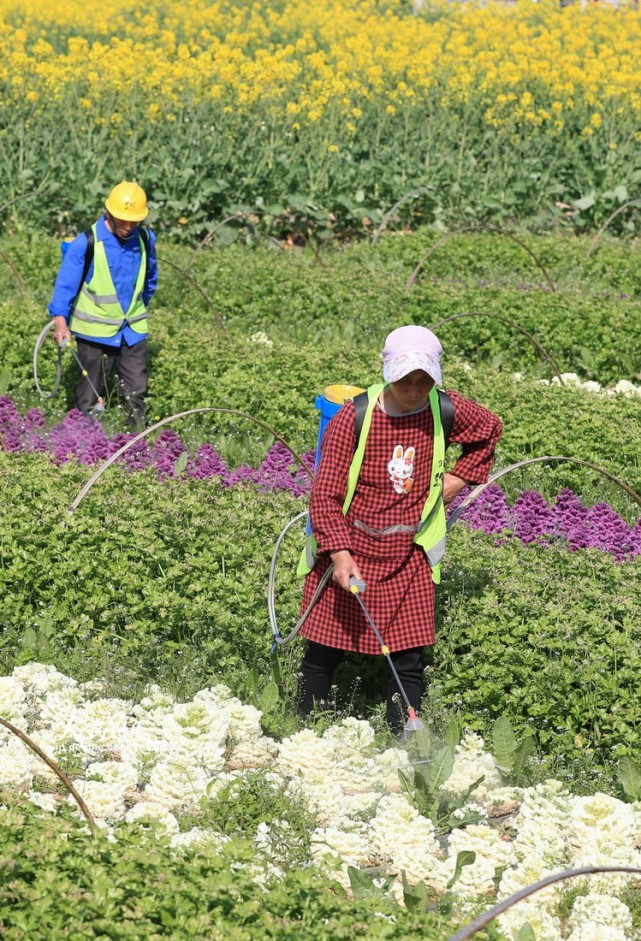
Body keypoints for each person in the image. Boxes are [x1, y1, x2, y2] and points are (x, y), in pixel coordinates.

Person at [297, 325, 503, 734]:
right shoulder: (353, 419)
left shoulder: (445, 410)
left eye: (424, 380)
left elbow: (490, 430)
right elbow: (324, 497)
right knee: (323, 651)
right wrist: (339, 555)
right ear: (388, 373)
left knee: (407, 658)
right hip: (352, 546)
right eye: (405, 380)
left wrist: (458, 479)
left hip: (408, 552)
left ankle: (402, 738)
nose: (413, 389)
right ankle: (305, 729)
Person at [48, 180, 158, 429]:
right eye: (122, 220)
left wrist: (138, 308)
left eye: (134, 221)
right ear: (109, 212)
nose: (128, 226)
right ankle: (83, 446)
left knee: (135, 391)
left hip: (132, 330)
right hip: (93, 331)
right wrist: (60, 322)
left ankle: (134, 445)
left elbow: (150, 279)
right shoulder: (87, 242)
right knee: (89, 393)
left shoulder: (144, 239)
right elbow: (65, 286)